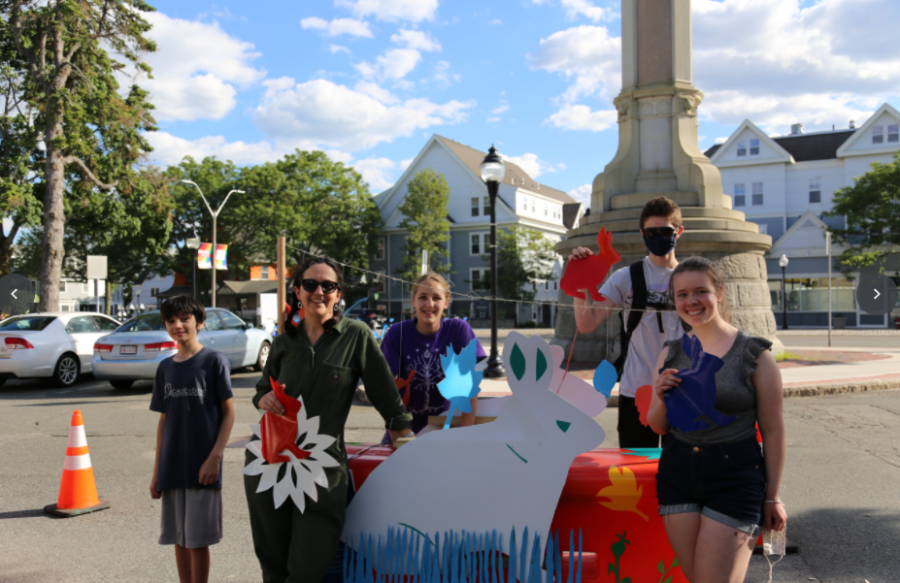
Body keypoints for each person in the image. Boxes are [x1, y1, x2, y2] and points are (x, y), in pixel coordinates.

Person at [244, 256, 413, 583]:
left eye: (328, 285)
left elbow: (384, 393)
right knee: (273, 563)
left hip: (322, 467)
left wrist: (405, 437)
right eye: (309, 284)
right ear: (297, 291)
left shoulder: (356, 335)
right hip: (269, 460)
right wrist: (262, 397)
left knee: (310, 566)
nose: (318, 291)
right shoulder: (283, 342)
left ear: (339, 294)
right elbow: (264, 388)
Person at [648, 257, 787, 582]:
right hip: (677, 474)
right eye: (682, 294)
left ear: (719, 293)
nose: (691, 301)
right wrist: (659, 395)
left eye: (700, 291)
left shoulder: (753, 354)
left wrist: (773, 495)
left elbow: (774, 429)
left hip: (735, 476)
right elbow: (659, 426)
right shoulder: (670, 352)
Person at [568, 196, 684, 448]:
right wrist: (578, 280)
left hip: (683, 390)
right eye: (651, 232)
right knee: (635, 472)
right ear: (642, 233)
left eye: (665, 231)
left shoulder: (691, 277)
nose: (658, 237)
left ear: (679, 232)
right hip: (637, 391)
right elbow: (586, 324)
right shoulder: (626, 277)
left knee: (683, 473)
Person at [149, 296, 235, 583]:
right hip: (172, 466)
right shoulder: (165, 368)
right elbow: (163, 420)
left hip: (203, 468)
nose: (178, 325)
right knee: (179, 539)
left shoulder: (213, 361)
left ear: (199, 323)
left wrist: (215, 457)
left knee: (198, 541)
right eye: (171, 321)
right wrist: (156, 472)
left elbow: (229, 413)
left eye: (185, 319)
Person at [380, 271, 487, 434]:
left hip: (448, 430)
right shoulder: (397, 333)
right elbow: (389, 394)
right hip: (405, 431)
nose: (429, 304)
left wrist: (465, 437)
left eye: (436, 298)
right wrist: (400, 440)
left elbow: (470, 389)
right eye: (423, 297)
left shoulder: (459, 330)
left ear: (446, 302)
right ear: (413, 301)